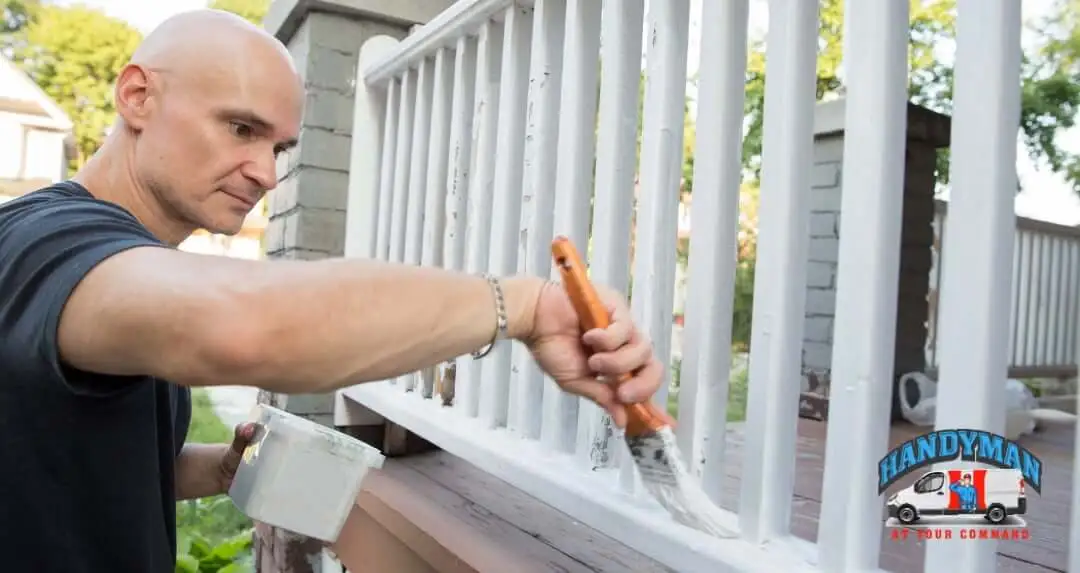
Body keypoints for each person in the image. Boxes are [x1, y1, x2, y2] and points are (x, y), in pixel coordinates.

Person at [0, 9, 662, 572]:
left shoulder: (111, 257)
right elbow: (246, 327)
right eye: (241, 129)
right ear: (137, 96)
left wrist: (219, 469)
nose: (265, 174)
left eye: (280, 149)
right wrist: (524, 306)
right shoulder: (44, 243)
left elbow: (80, 463)